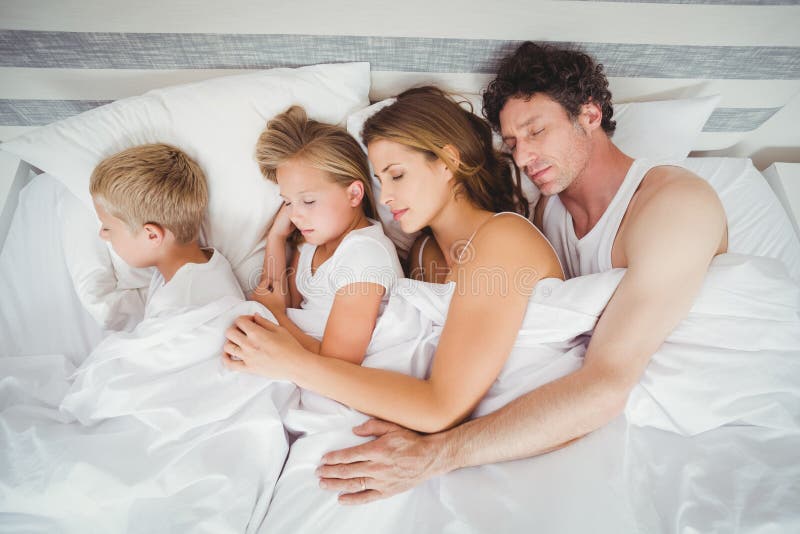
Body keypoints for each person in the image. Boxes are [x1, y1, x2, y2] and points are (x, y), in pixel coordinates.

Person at [312, 42, 733, 504]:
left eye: (537, 131)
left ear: (590, 115)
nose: (524, 156)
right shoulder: (547, 211)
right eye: (512, 143)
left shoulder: (674, 205)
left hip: (715, 398)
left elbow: (606, 383)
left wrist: (435, 453)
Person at [222, 87, 563, 434]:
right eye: (380, 179)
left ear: (448, 162)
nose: (385, 197)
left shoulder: (503, 237)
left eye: (397, 175)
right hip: (463, 431)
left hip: (531, 428)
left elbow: (440, 406)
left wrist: (288, 357)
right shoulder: (423, 253)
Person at [247, 105, 404, 364]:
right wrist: (276, 237)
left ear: (353, 194)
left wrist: (276, 317)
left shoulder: (365, 253)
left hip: (331, 378)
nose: (295, 215)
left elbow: (339, 364)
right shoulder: (311, 245)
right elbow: (275, 297)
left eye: (308, 201)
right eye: (287, 202)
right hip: (295, 360)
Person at [90, 142, 243, 316]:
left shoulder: (178, 305)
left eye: (108, 228)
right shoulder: (210, 266)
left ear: (152, 235)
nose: (102, 235)